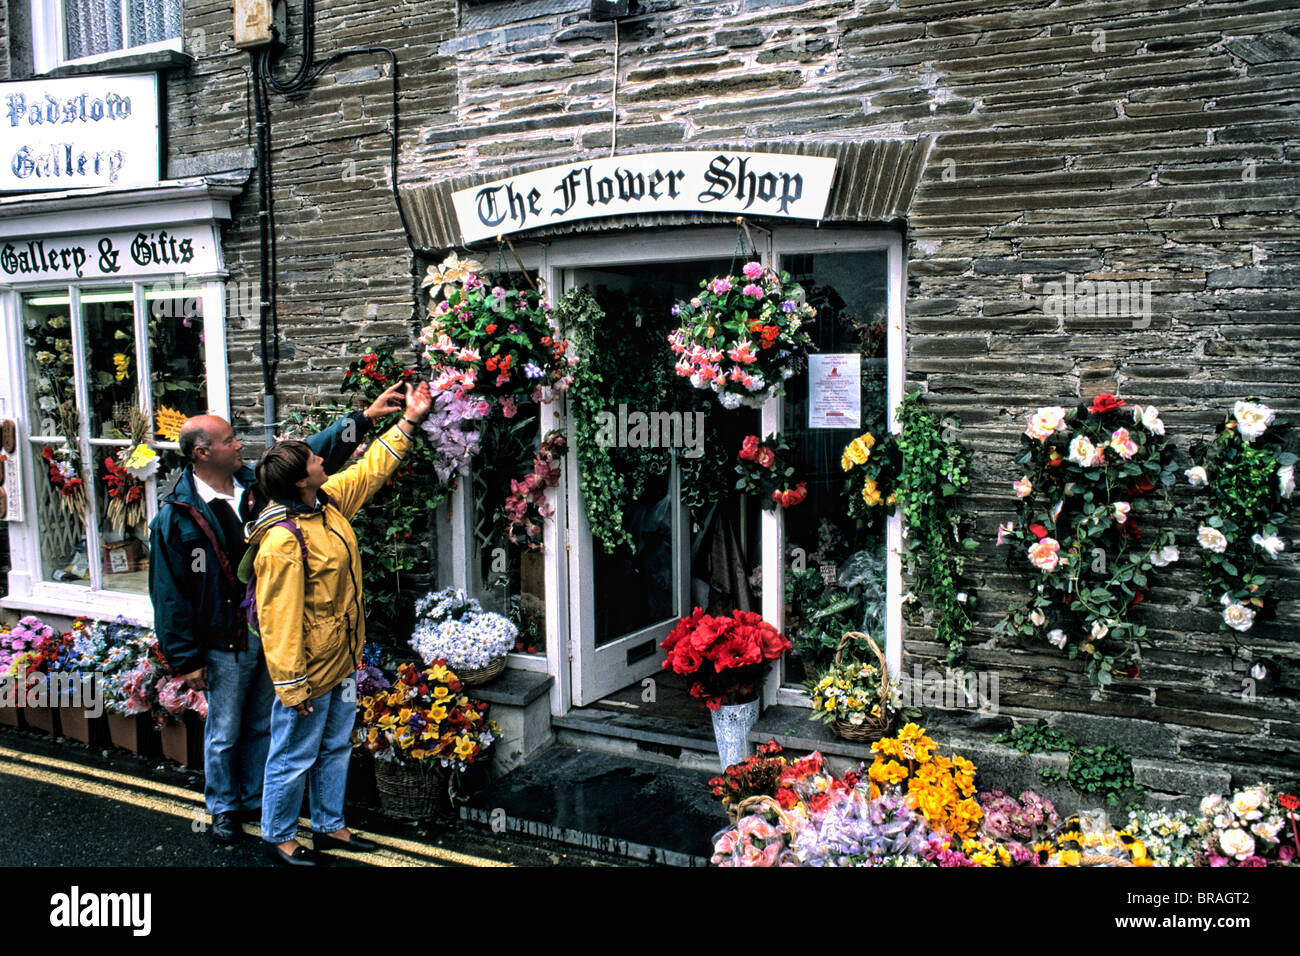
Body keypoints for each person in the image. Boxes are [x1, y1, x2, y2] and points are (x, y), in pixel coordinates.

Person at [148, 385, 408, 845]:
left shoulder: (256, 486)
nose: (239, 445)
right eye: (230, 440)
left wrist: (364, 418)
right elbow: (168, 594)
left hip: (275, 633)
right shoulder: (176, 515)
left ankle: (255, 800)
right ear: (203, 452)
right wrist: (185, 659)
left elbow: (314, 455)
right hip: (224, 638)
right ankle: (225, 808)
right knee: (225, 731)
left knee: (264, 726)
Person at [249, 380, 432, 866]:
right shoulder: (283, 541)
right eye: (313, 458)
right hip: (308, 673)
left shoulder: (326, 503)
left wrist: (410, 419)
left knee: (334, 747)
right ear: (299, 481)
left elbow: (369, 470)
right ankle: (278, 836)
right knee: (293, 755)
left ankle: (330, 826)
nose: (321, 457)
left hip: (343, 660)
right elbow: (277, 620)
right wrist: (292, 686)